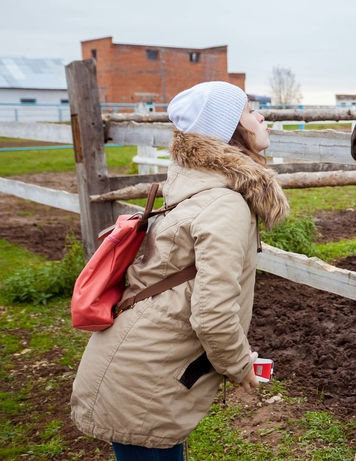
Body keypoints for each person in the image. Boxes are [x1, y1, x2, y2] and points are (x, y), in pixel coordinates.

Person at [70, 81, 290, 460]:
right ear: (229, 130)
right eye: (249, 111)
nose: (261, 116)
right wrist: (241, 366)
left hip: (139, 366)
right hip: (144, 378)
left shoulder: (199, 187)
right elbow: (212, 315)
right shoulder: (224, 204)